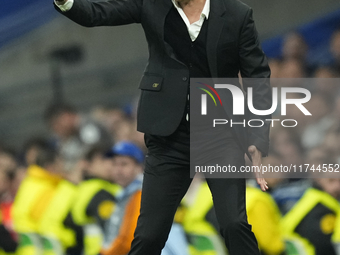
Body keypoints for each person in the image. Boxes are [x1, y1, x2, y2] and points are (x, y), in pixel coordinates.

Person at [54, 0, 272, 254]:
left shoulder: (237, 14)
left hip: (220, 137)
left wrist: (257, 135)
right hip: (170, 139)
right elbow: (98, 13)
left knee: (234, 225)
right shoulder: (151, 4)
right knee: (148, 236)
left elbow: (257, 75)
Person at [102, 141, 189, 255]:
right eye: (114, 164)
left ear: (139, 166)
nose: (118, 170)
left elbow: (130, 239)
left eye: (124, 164)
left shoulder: (142, 194)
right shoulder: (126, 193)